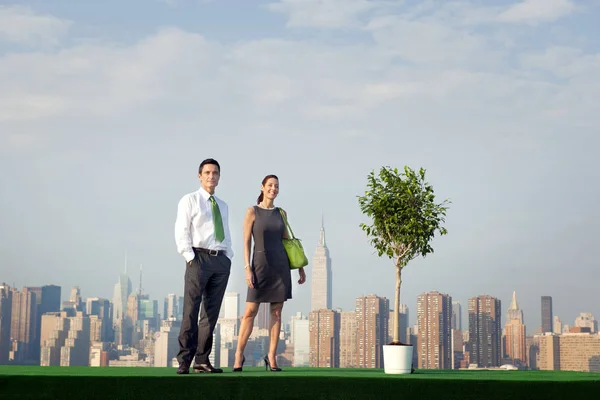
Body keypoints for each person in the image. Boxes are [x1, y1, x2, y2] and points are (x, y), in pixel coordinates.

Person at [233, 174, 306, 372]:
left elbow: (288, 241)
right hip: (259, 266)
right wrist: (247, 268)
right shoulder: (252, 211)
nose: (273, 188)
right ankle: (239, 355)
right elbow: (246, 241)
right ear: (262, 187)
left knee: (276, 312)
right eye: (270, 185)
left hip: (280, 266)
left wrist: (300, 266)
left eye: (276, 186)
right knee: (250, 312)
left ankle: (271, 357)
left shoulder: (282, 213)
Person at [174, 158, 233, 374]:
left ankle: (202, 359)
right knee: (191, 311)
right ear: (200, 176)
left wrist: (228, 256)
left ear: (219, 176)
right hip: (198, 258)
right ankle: (184, 361)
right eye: (207, 172)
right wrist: (189, 256)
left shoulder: (223, 205)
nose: (211, 176)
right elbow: (182, 230)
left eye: (215, 173)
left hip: (220, 260)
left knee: (211, 314)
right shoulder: (189, 200)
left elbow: (225, 232)